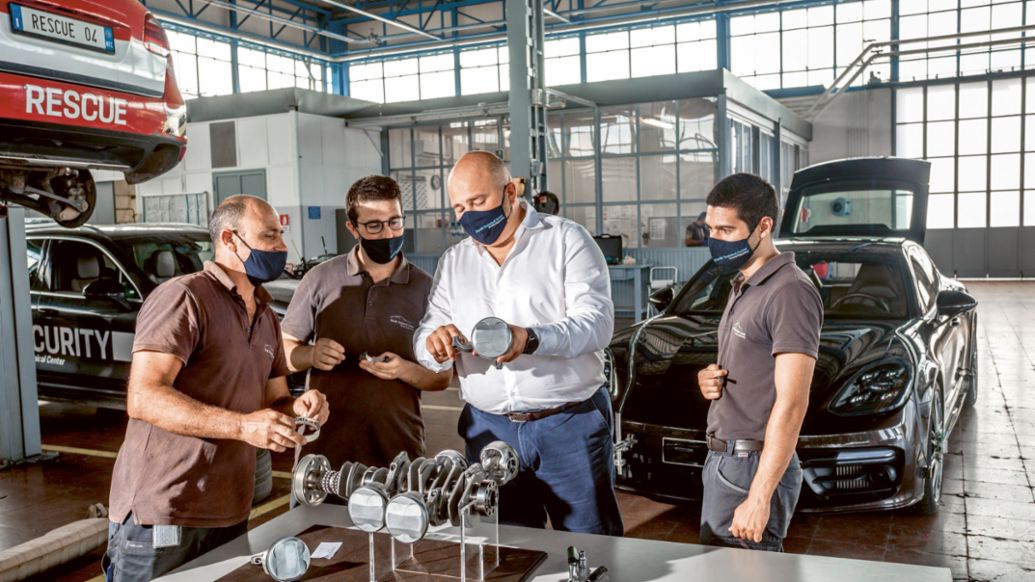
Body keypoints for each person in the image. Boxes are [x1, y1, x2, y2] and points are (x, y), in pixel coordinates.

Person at [105, 195, 330, 581]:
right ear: (230, 239)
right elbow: (143, 397)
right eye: (270, 236)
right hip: (166, 512)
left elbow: (271, 400)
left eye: (281, 236)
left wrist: (299, 408)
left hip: (229, 511)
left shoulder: (263, 314)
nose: (281, 247)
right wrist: (243, 427)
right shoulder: (184, 297)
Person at [414, 151, 623, 536]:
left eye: (478, 202)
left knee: (591, 546)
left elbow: (597, 325)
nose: (468, 215)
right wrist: (434, 343)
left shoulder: (565, 240)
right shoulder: (454, 261)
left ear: (510, 191)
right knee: (508, 548)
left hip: (568, 426)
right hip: (489, 430)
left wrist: (529, 339)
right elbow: (425, 334)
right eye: (459, 207)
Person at [281, 175, 450, 469]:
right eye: (374, 225)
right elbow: (284, 353)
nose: (387, 233)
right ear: (352, 228)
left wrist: (403, 369)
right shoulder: (320, 279)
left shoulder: (426, 289)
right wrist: (311, 354)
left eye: (394, 222)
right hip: (323, 449)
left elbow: (442, 377)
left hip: (397, 451)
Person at [696, 173, 823, 552]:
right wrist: (711, 378)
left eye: (726, 229)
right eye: (710, 228)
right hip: (725, 460)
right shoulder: (744, 283)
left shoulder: (790, 292)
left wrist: (759, 496)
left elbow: (792, 402)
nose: (714, 240)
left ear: (763, 226)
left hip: (751, 466)